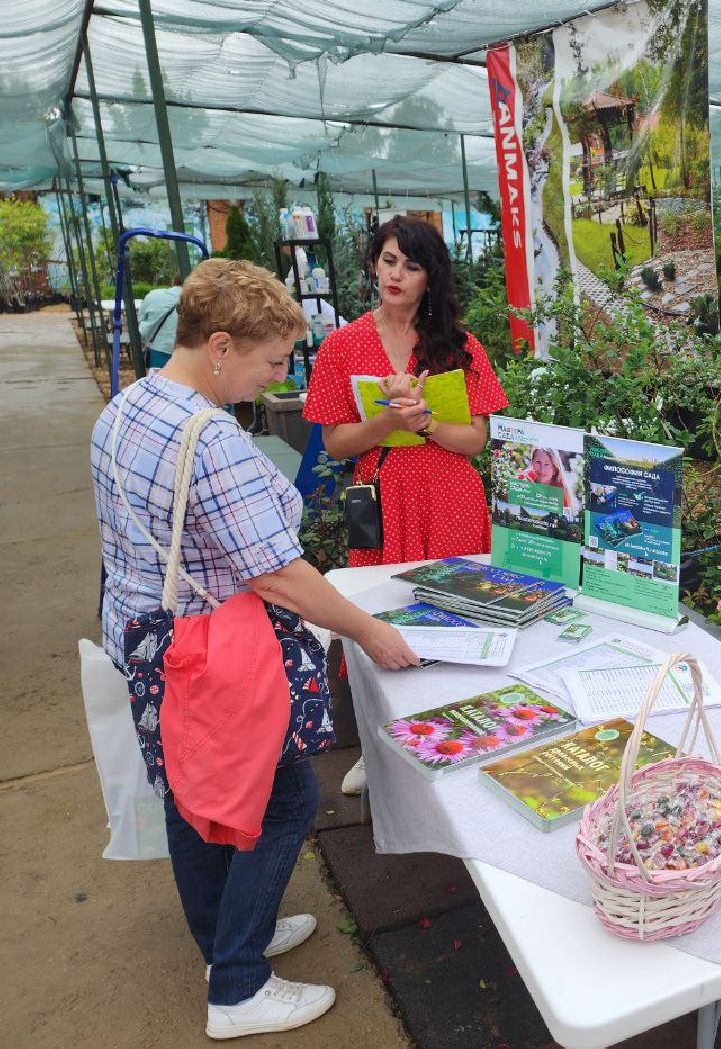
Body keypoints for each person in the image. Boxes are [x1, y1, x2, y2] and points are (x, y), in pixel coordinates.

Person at [91, 258, 421, 1040]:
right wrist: (370, 630)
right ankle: (237, 985)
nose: (281, 378)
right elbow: (278, 575)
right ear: (219, 345)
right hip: (211, 650)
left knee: (192, 790)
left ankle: (223, 938)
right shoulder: (212, 442)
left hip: (146, 637)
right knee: (284, 798)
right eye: (273, 362)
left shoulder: (129, 405)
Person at [303, 217, 509, 795]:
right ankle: (376, 744)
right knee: (379, 617)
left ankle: (460, 737)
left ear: (429, 277)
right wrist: (385, 421)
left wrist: (426, 421)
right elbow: (337, 443)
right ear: (374, 263)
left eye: (411, 266)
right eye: (389, 260)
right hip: (383, 497)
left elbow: (476, 440)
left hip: (450, 495)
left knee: (459, 616)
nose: (397, 274)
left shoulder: (458, 345)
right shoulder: (342, 346)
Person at [516, 445, 577, 511]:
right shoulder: (525, 477)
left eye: (547, 464)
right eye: (538, 462)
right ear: (532, 463)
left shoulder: (560, 491)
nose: (542, 470)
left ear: (554, 470)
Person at [137, 281, 181, 370]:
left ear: (173, 281)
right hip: (189, 353)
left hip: (158, 351)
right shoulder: (199, 297)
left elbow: (140, 320)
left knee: (158, 381)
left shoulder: (153, 296)